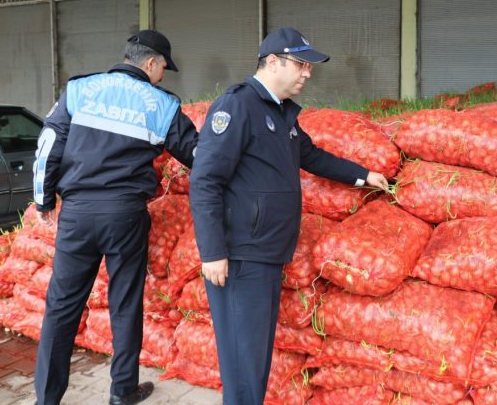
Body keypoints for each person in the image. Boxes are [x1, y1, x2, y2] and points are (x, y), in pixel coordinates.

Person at [189, 27, 389, 405]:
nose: (307, 73)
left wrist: (363, 175)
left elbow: (311, 156)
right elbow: (205, 180)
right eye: (301, 64)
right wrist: (212, 251)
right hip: (239, 256)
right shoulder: (237, 106)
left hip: (266, 252)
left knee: (255, 356)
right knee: (243, 361)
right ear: (273, 62)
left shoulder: (280, 114)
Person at [32, 30, 198, 405]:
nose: (162, 77)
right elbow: (198, 156)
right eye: (162, 70)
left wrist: (44, 201)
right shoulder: (161, 104)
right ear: (152, 63)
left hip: (76, 213)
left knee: (61, 307)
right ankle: (122, 392)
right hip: (124, 214)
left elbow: (48, 145)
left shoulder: (79, 90)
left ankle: (47, 398)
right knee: (125, 302)